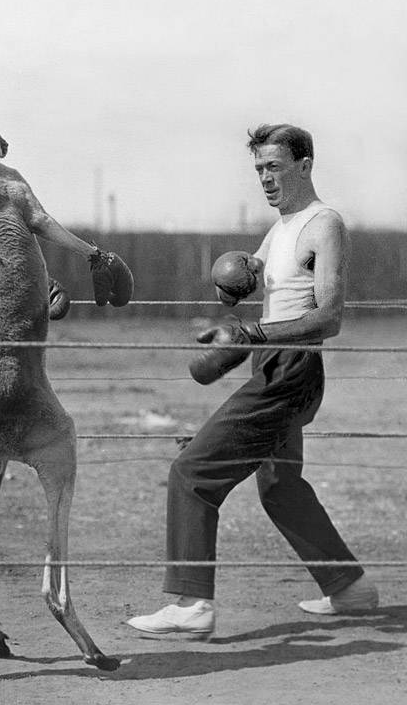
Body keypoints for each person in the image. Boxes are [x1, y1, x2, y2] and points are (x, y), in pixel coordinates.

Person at [127, 123, 379, 637]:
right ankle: (350, 588)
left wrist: (250, 330)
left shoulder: (323, 224)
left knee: (192, 473)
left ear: (304, 165)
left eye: (274, 167)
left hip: (293, 368)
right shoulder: (279, 228)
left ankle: (191, 604)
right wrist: (229, 295)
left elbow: (329, 317)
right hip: (272, 364)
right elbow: (247, 283)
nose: (265, 178)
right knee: (280, 487)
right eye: (259, 169)